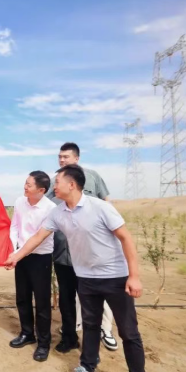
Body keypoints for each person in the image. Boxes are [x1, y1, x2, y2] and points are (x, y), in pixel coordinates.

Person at [5, 164, 147, 372]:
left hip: (114, 277)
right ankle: (88, 370)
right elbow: (38, 237)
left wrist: (134, 276)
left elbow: (126, 238)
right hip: (86, 278)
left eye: (57, 182)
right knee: (90, 327)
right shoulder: (58, 212)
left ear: (71, 185)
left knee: (128, 331)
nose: (53, 186)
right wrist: (16, 256)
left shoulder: (100, 207)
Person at [47, 142, 118, 353]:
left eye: (66, 157)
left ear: (76, 158)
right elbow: (46, 207)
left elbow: (107, 202)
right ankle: (69, 336)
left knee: (94, 299)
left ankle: (103, 332)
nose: (62, 160)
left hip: (90, 253)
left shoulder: (93, 177)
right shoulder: (54, 181)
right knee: (66, 298)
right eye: (60, 157)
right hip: (63, 252)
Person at [8, 171, 56, 362]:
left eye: (29, 185)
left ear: (41, 190)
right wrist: (13, 250)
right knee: (22, 297)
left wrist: (18, 254)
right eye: (25, 183)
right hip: (21, 256)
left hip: (40, 258)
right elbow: (14, 227)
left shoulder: (50, 209)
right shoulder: (20, 202)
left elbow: (38, 239)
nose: (25, 187)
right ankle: (27, 333)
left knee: (42, 302)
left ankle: (44, 343)